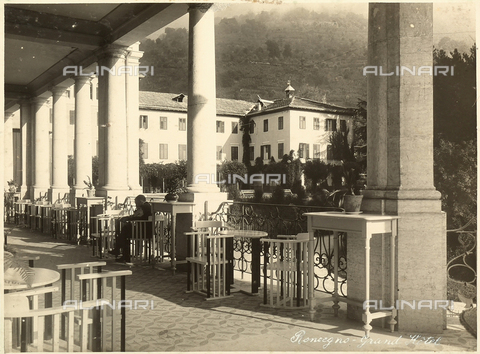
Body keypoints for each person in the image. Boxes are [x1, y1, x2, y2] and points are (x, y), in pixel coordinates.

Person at [109, 194, 152, 262]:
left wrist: (128, 218)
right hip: (145, 230)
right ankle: (121, 252)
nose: (136, 204)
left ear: (140, 201)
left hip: (143, 231)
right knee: (125, 232)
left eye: (136, 202)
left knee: (125, 232)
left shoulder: (143, 207)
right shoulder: (147, 206)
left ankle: (121, 253)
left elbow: (138, 217)